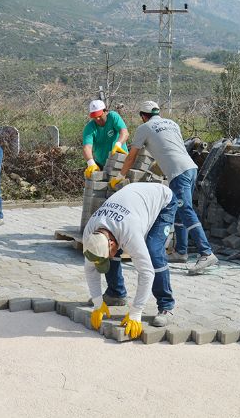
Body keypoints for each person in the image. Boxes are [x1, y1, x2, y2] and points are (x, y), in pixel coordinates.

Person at [111, 100, 218, 277]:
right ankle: (181, 252)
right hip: (190, 168)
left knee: (186, 210)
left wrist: (120, 176)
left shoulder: (144, 128)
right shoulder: (172, 123)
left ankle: (206, 253)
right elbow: (169, 147)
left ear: (143, 116)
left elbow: (131, 156)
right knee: (178, 209)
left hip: (178, 172)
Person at [82, 182, 178, 333]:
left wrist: (136, 312)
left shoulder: (129, 233)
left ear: (112, 243)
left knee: (153, 253)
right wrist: (97, 302)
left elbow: (146, 273)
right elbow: (90, 270)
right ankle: (115, 294)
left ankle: (166, 305)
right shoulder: (90, 235)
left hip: (163, 201)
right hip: (133, 203)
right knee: (110, 256)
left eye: (111, 250)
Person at [82, 99, 129, 179]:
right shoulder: (89, 128)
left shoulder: (113, 117)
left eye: (99, 116)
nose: (97, 119)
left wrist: (118, 144)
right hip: (102, 164)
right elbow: (87, 147)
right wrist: (91, 163)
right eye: (94, 117)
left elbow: (124, 132)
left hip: (121, 161)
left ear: (105, 111)